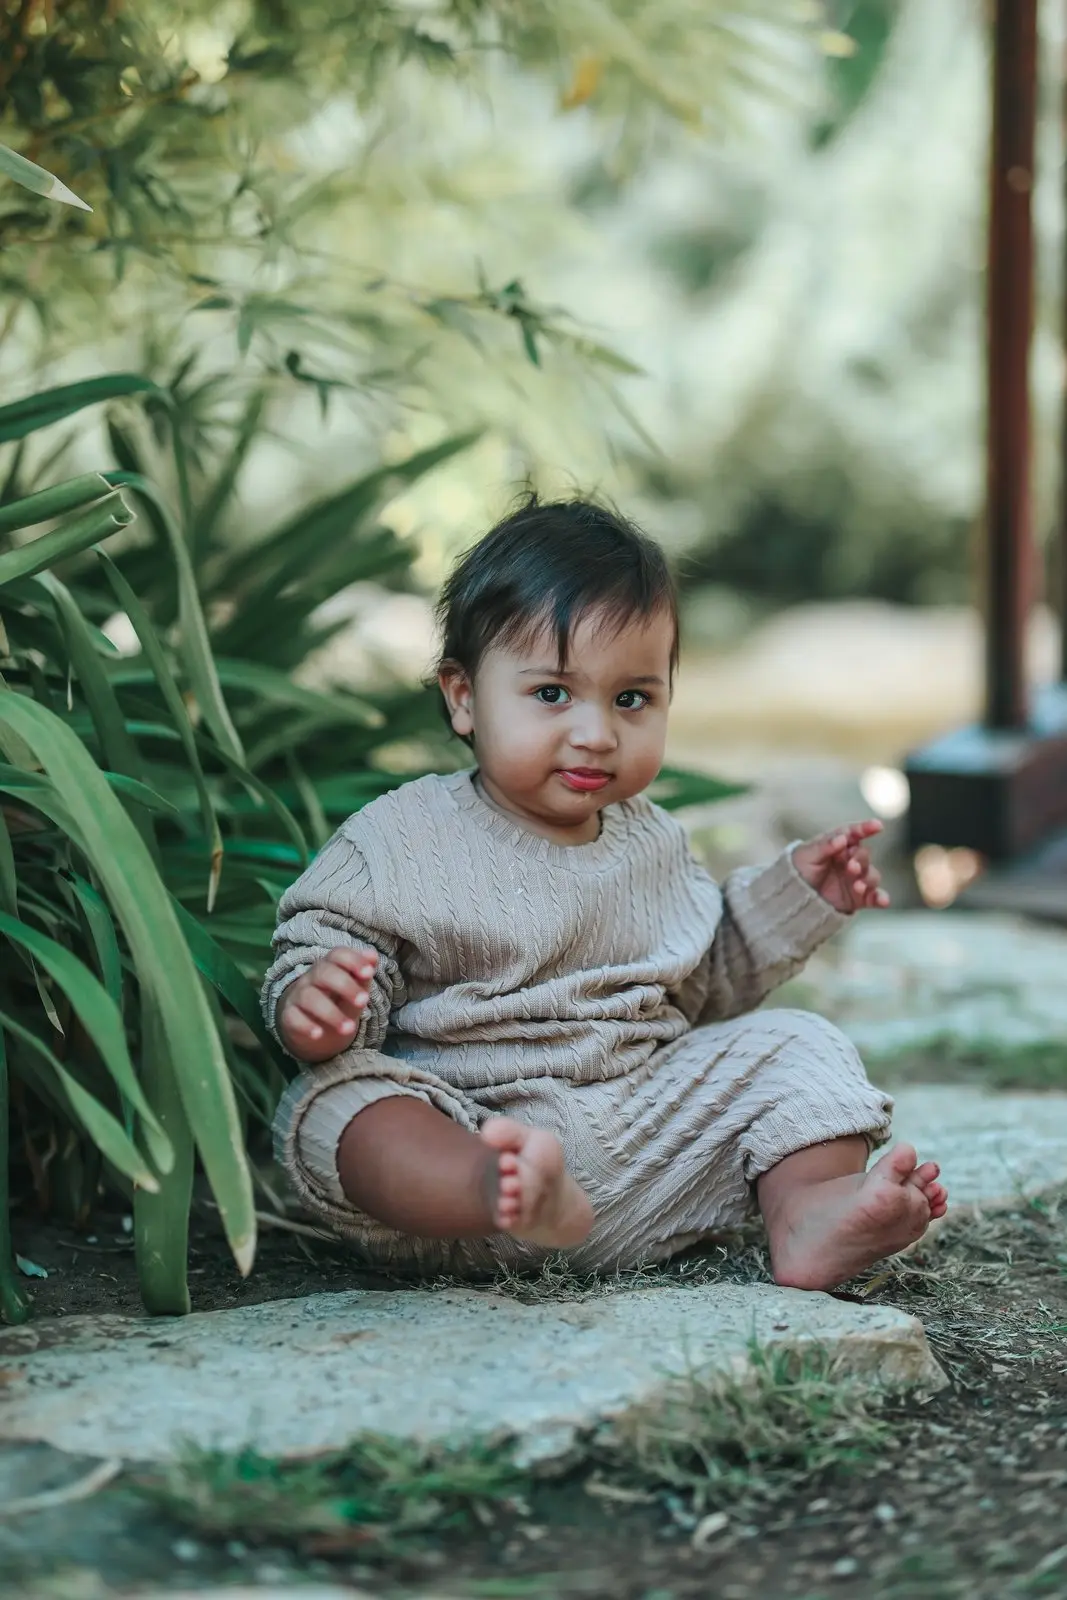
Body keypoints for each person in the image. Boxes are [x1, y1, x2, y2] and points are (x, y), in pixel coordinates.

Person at [262, 497, 947, 1290]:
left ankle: (807, 1215)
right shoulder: (399, 836)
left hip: (640, 1149)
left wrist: (796, 893)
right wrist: (319, 1001)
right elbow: (325, 945)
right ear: (462, 697)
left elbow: (701, 982)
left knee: (799, 1044)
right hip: (469, 1142)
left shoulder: (649, 839)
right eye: (552, 694)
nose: (595, 732)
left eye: (631, 699)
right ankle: (504, 1191)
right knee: (337, 1106)